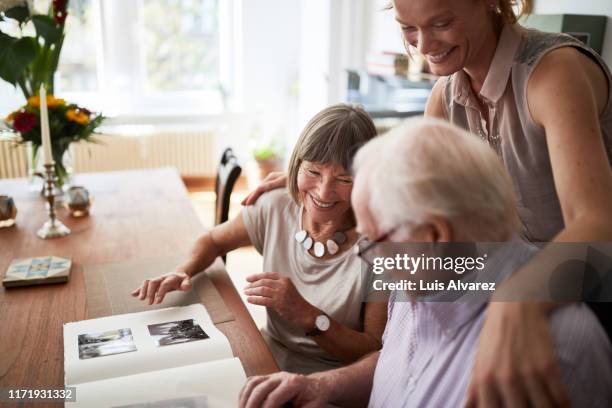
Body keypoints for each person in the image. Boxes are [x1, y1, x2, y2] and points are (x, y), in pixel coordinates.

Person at [241, 0, 612, 404]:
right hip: (497, 282)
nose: (423, 45)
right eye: (407, 28)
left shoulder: (553, 74)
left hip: (581, 287)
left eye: (441, 22)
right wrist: (313, 179)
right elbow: (413, 189)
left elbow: (600, 229)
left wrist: (517, 302)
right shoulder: (446, 93)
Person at [238, 118, 612, 408]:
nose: (371, 258)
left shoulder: (540, 348)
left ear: (433, 235)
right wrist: (317, 386)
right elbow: (399, 369)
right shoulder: (424, 276)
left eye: (375, 242)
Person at [131, 104, 387, 374]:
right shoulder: (276, 205)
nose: (324, 192)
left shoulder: (384, 247)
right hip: (265, 357)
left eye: (344, 179)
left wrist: (306, 315)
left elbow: (372, 349)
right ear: (296, 164)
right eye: (313, 172)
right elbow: (214, 241)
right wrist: (182, 270)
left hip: (332, 382)